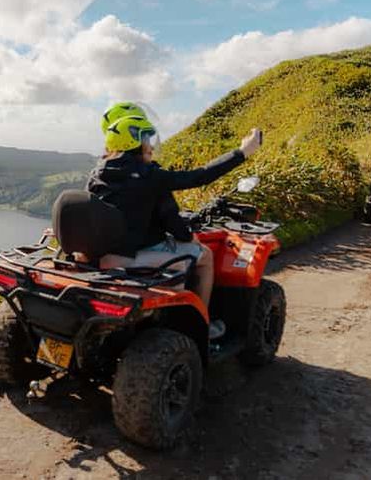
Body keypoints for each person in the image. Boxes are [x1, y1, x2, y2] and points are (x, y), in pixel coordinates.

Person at [87, 102, 262, 338]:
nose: (150, 145)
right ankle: (201, 325)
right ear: (134, 141)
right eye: (146, 139)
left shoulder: (98, 172)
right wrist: (242, 153)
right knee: (205, 255)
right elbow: (198, 176)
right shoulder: (149, 175)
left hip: (99, 255)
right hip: (130, 256)